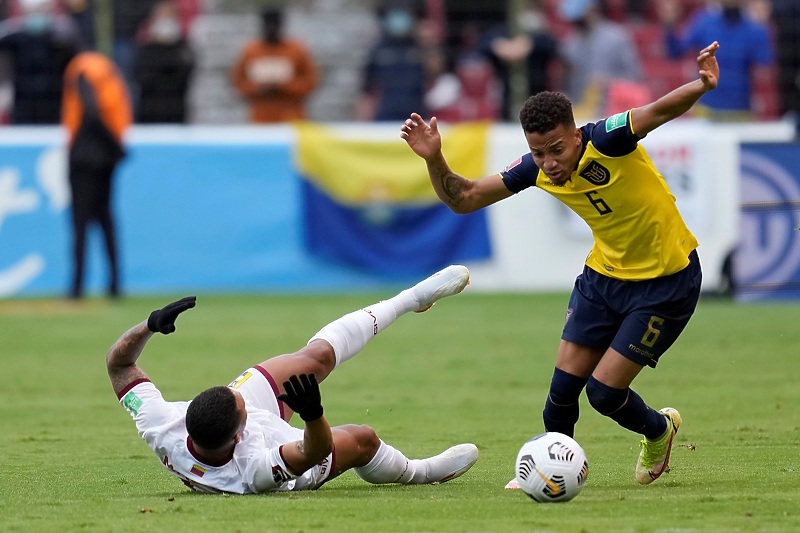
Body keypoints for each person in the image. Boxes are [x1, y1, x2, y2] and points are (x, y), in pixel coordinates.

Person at [401, 42, 720, 485]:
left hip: (667, 282)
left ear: (575, 134)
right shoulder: (535, 169)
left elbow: (659, 110)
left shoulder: (608, 138)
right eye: (538, 154)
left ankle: (659, 430)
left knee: (605, 393)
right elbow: (466, 198)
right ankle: (550, 474)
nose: (549, 164)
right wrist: (435, 158)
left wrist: (701, 85)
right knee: (560, 396)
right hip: (603, 278)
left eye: (556, 150)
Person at [107, 265, 478, 494]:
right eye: (244, 411)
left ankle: (413, 298)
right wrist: (313, 414)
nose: (245, 404)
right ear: (239, 434)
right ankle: (422, 472)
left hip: (228, 434)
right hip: (296, 463)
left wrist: (150, 325)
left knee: (314, 358)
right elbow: (311, 451)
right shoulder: (253, 470)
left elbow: (119, 366)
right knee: (363, 438)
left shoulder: (161, 423)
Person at [62, 51, 132, 299]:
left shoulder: (82, 68)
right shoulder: (108, 70)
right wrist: (117, 148)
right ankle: (114, 285)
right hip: (106, 156)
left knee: (80, 221)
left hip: (84, 154)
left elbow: (90, 112)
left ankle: (77, 288)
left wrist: (113, 145)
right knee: (106, 220)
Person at [659, 0, 774, 120]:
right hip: (706, 111)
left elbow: (765, 64)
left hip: (740, 113)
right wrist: (669, 26)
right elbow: (676, 53)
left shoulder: (756, 29)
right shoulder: (705, 22)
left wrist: (765, 25)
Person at [0, 0, 82, 124]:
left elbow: (74, 43)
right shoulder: (15, 36)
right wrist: (19, 25)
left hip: (53, 100)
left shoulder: (61, 36)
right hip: (23, 102)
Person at [558, 0, 644, 118]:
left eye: (579, 18)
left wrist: (609, 81)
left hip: (615, 113)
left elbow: (635, 76)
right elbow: (568, 85)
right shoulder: (569, 44)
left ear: (592, 10)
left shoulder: (617, 37)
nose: (576, 23)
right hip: (582, 115)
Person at [231, 7, 318, 123]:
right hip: (260, 117)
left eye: (275, 26)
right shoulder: (251, 51)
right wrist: (258, 89)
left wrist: (284, 87)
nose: (271, 30)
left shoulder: (296, 50)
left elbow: (310, 82)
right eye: (268, 26)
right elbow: (238, 82)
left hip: (292, 117)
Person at [132, 0, 195, 123]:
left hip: (177, 116)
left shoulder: (184, 49)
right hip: (149, 116)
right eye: (161, 17)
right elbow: (144, 79)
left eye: (169, 17)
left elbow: (183, 77)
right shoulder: (144, 50)